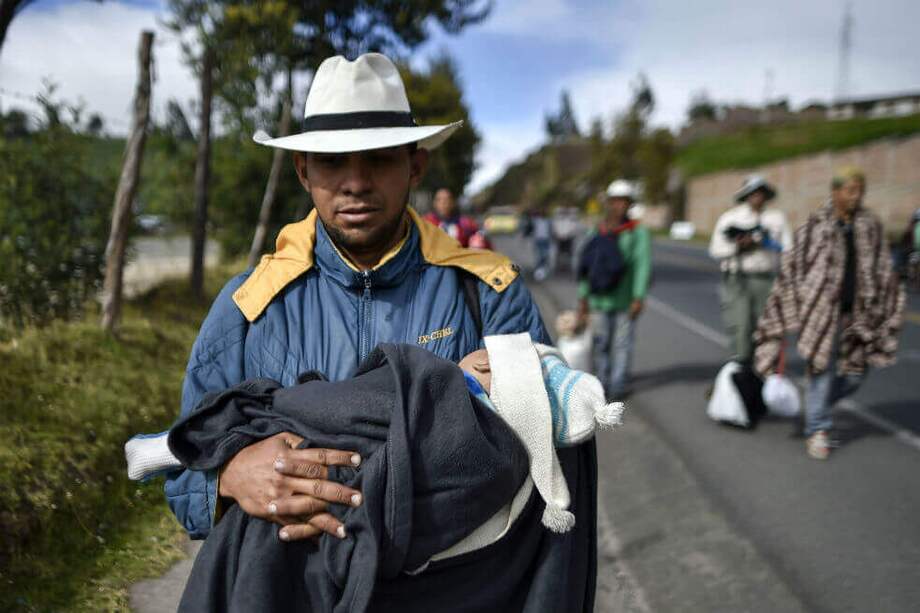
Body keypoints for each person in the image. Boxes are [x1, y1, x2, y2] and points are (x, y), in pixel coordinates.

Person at [159, 52, 597, 609]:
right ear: (303, 172)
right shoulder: (249, 307)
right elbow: (185, 462)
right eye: (332, 162)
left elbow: (543, 452)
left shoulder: (489, 292)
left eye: (379, 159)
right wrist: (228, 477)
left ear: (415, 166)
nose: (356, 183)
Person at [754, 167, 905, 460]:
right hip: (823, 313)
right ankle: (818, 429)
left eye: (860, 190)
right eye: (850, 190)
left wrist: (888, 302)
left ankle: (816, 407)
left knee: (856, 374)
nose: (856, 196)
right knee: (821, 369)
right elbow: (794, 267)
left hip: (859, 313)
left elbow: (883, 267)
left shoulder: (870, 226)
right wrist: (788, 304)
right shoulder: (816, 226)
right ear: (835, 192)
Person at [576, 179, 651, 399]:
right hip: (599, 299)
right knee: (601, 344)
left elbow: (642, 266)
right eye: (615, 201)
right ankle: (601, 382)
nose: (619, 205)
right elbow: (586, 266)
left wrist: (638, 297)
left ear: (629, 204)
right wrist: (583, 298)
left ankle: (618, 385)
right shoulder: (597, 230)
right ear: (608, 203)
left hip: (625, 300)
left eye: (624, 201)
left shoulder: (637, 232)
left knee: (622, 344)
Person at [708, 175, 792, 366]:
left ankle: (764, 368)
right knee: (741, 325)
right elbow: (715, 250)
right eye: (753, 193)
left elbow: (788, 249)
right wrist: (740, 246)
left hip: (767, 278)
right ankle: (741, 365)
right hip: (738, 278)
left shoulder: (776, 218)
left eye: (760, 192)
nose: (757, 197)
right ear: (745, 195)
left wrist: (766, 243)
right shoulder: (731, 218)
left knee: (767, 328)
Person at [423, 187, 491, 249]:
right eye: (439, 199)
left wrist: (479, 241)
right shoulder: (426, 222)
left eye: (447, 199)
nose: (443, 203)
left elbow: (480, 238)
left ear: (453, 203)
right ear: (434, 203)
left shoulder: (465, 223)